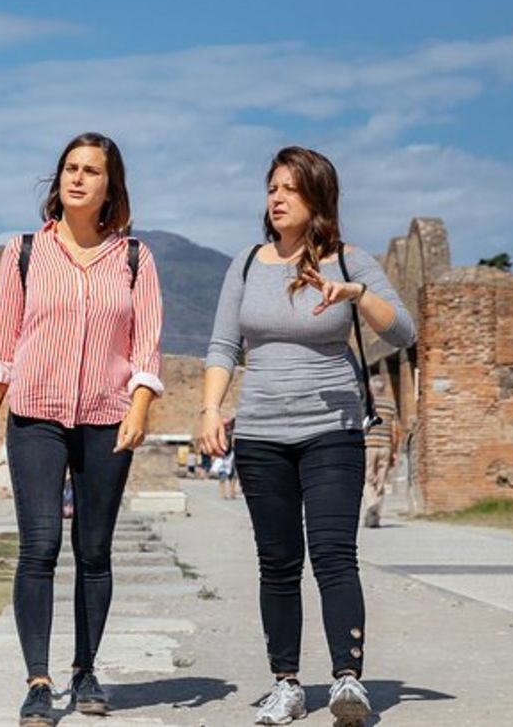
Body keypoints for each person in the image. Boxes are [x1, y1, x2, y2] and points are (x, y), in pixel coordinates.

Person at [197, 146, 416, 726]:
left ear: (317, 197)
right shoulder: (245, 263)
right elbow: (224, 346)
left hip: (332, 431)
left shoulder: (350, 261)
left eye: (290, 188)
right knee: (277, 561)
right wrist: (210, 408)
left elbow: (403, 332)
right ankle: (286, 684)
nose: (276, 198)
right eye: (271, 187)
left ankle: (348, 680)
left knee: (334, 555)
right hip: (262, 436)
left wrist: (357, 296)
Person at [0, 132, 163, 725]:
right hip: (34, 415)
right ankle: (38, 680)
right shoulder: (24, 251)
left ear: (111, 186)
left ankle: (86, 670)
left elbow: (148, 348)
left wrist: (139, 409)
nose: (78, 178)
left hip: (108, 417)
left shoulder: (136, 258)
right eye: (70, 168)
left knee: (94, 550)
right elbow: (3, 344)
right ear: (58, 181)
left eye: (92, 171)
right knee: (39, 547)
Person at [361, 376, 400, 528]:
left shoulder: (367, 404)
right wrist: (395, 450)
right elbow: (395, 430)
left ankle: (371, 506)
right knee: (381, 480)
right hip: (386, 446)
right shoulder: (390, 405)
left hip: (369, 446)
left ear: (371, 389)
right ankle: (376, 510)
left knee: (368, 479)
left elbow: (363, 426)